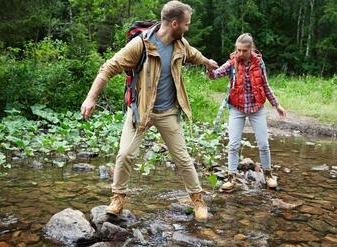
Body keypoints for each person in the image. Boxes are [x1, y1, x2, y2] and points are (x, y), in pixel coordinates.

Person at [80, 0, 218, 222]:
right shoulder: (140, 45)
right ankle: (117, 198)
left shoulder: (180, 43)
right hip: (141, 111)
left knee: (182, 158)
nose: (187, 28)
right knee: (125, 154)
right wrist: (90, 97)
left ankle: (197, 199)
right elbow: (109, 67)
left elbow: (193, 54)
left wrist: (207, 62)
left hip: (167, 112)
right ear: (175, 23)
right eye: (186, 24)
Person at [207, 33, 286, 191]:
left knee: (263, 144)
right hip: (237, 109)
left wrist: (276, 105)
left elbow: (265, 85)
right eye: (238, 50)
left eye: (244, 50)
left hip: (257, 109)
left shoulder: (259, 63)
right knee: (233, 144)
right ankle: (231, 177)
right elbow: (215, 75)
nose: (240, 54)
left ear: (251, 50)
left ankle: (268, 175)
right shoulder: (232, 62)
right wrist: (209, 67)